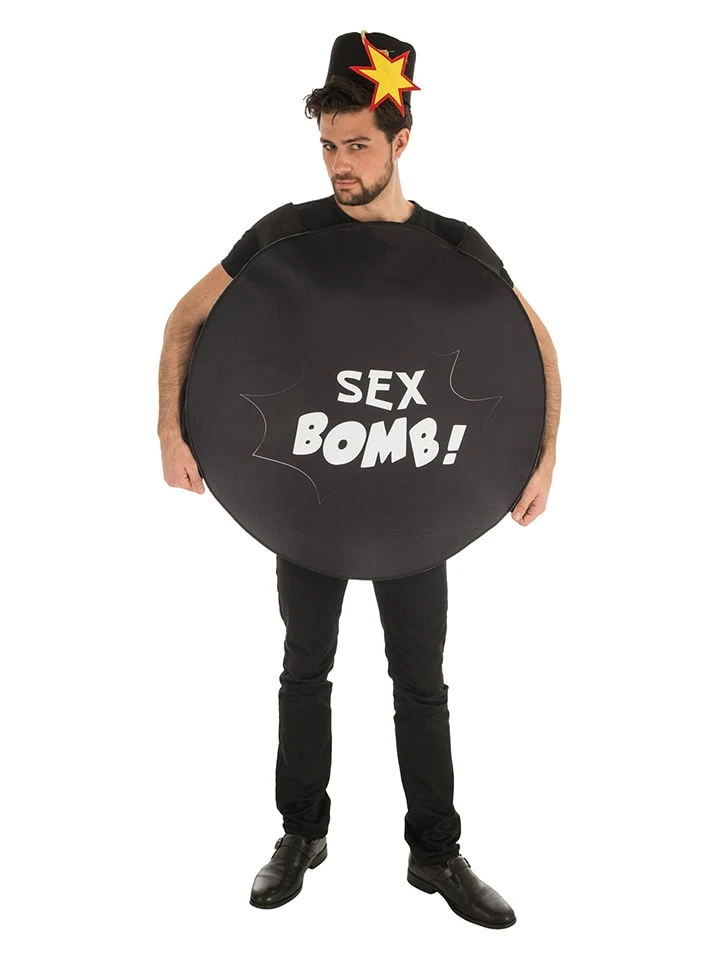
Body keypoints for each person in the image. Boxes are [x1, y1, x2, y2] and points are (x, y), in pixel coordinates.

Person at [157, 31, 561, 929]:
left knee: (422, 681)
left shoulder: (453, 247)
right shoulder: (288, 233)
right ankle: (301, 835)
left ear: (401, 140)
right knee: (305, 668)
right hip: (307, 500)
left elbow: (534, 342)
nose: (340, 164)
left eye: (358, 146)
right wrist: (170, 428)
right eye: (328, 146)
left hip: (417, 502)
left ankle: (436, 853)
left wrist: (543, 455)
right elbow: (186, 317)